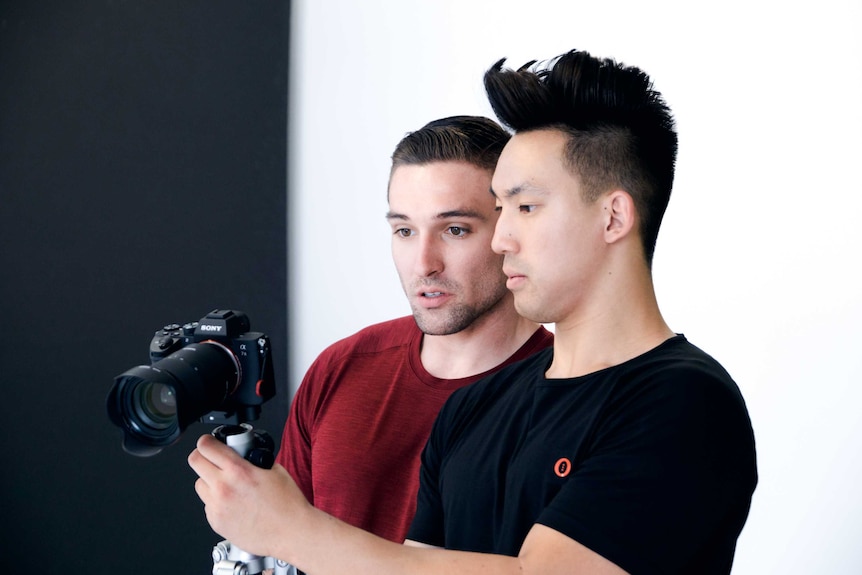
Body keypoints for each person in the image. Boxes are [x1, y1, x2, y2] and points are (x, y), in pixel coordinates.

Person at [189, 49, 758, 575]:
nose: (503, 237)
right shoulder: (473, 410)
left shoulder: (685, 401)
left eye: (527, 207)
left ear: (612, 218)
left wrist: (296, 532)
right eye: (502, 208)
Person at [275, 115, 553, 544]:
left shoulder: (567, 391)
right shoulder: (341, 368)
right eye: (404, 230)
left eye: (455, 230)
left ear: (510, 231)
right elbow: (278, 548)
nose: (424, 263)